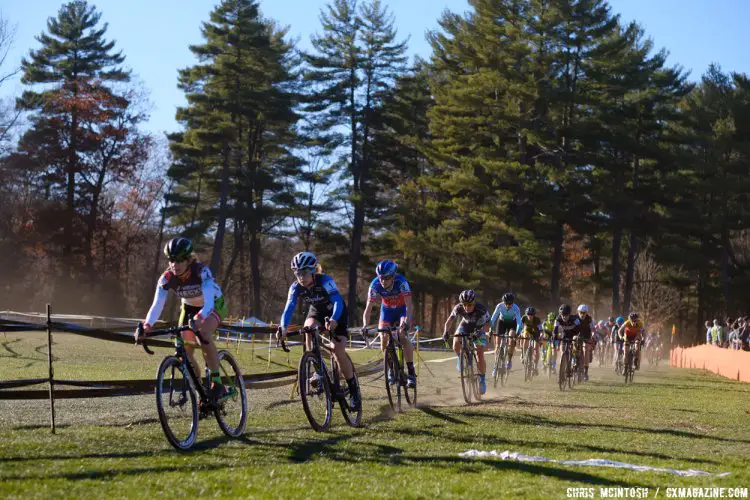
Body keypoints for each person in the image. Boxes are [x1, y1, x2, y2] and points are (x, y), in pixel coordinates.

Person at [139, 237, 229, 400]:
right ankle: (200, 390)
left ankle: (217, 382)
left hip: (214, 304)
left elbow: (208, 303)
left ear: (189, 259)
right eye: (172, 260)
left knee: (204, 335)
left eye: (180, 260)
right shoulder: (166, 278)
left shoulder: (201, 272)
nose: (175, 264)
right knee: (184, 351)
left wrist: (201, 317)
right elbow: (157, 305)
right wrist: (147, 326)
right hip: (189, 307)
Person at [277, 251, 360, 410]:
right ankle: (318, 372)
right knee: (308, 329)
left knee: (338, 351)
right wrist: (283, 327)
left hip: (337, 312)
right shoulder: (295, 287)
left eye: (305, 272)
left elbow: (337, 301)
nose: (301, 277)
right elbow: (288, 309)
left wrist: (335, 319)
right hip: (317, 312)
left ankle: (353, 389)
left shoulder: (325, 280)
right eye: (297, 273)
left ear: (314, 271)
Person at [361, 260, 416, 387]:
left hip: (402, 310)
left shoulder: (401, 282)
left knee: (402, 336)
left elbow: (409, 305)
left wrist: (406, 322)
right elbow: (368, 308)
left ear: (393, 276)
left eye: (386, 278)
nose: (383, 281)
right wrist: (364, 325)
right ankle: (391, 369)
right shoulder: (374, 285)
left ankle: (411, 372)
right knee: (383, 338)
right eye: (381, 278)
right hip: (387, 311)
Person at [442, 290, 490, 395]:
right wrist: (445, 332)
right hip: (465, 325)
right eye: (464, 305)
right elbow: (449, 321)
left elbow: (488, 324)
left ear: (474, 302)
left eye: (469, 305)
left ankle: (482, 379)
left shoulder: (481, 309)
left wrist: (481, 332)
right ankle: (461, 358)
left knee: (479, 353)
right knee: (455, 343)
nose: (466, 307)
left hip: (479, 327)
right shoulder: (458, 308)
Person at [489, 293, 522, 372]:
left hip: (512, 324)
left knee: (511, 338)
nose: (508, 305)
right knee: (497, 344)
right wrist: (491, 329)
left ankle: (509, 360)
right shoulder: (499, 306)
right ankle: (496, 365)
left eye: (510, 303)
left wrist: (517, 332)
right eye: (506, 303)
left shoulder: (516, 308)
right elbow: (493, 318)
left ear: (513, 303)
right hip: (502, 323)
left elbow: (519, 322)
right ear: (503, 302)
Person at [520, 306, 542, 376]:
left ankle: (535, 365)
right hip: (527, 330)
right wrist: (519, 332)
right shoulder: (524, 318)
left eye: (531, 315)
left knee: (536, 348)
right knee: (525, 338)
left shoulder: (537, 320)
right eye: (528, 314)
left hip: (536, 332)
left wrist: (541, 335)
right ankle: (523, 355)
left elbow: (541, 330)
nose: (530, 316)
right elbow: (520, 326)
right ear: (526, 314)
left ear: (534, 315)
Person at [576, 305, 595, 381]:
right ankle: (574, 361)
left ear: (586, 313)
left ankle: (585, 372)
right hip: (577, 335)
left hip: (586, 336)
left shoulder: (589, 319)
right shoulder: (575, 318)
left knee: (586, 350)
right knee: (574, 347)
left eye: (584, 313)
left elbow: (593, 328)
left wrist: (593, 334)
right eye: (581, 312)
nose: (582, 314)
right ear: (578, 312)